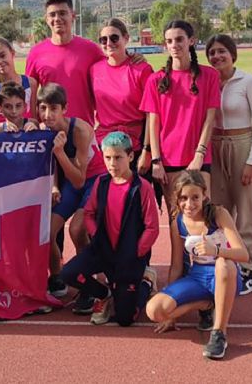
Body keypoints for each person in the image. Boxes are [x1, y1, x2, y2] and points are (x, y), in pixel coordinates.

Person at [146, 170, 249, 359]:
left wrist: (216, 251)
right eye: (183, 198)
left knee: (223, 264)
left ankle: (219, 334)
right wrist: (172, 315)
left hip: (226, 276)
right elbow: (177, 265)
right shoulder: (178, 223)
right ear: (176, 199)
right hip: (198, 277)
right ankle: (206, 304)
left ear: (204, 196)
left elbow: (243, 254)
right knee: (154, 310)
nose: (189, 204)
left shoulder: (218, 214)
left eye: (195, 197)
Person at [60, 131, 159, 326]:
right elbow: (89, 213)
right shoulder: (101, 182)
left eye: (118, 158)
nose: (112, 163)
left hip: (129, 256)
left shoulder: (142, 187)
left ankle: (146, 281)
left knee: (124, 319)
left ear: (130, 157)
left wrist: (136, 252)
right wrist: (97, 235)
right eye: (108, 158)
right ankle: (104, 294)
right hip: (103, 250)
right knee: (68, 273)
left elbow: (152, 228)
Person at [205, 34, 252, 295]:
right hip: (215, 147)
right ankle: (225, 263)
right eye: (212, 53)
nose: (217, 57)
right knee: (219, 210)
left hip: (242, 145)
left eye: (222, 51)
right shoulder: (208, 81)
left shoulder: (248, 81)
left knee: (247, 211)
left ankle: (249, 269)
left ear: (232, 54)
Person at [140, 20, 220, 218]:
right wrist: (156, 160)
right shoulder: (156, 80)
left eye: (179, 39)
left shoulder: (209, 75)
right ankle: (177, 252)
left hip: (198, 159)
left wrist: (200, 154)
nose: (174, 45)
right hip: (168, 160)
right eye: (169, 41)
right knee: (177, 220)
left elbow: (210, 118)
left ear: (191, 41)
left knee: (202, 218)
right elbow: (153, 123)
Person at [37, 83, 105, 301]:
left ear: (64, 109)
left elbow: (79, 180)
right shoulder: (44, 129)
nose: (47, 115)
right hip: (68, 180)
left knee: (77, 230)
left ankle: (88, 284)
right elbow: (52, 165)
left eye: (53, 109)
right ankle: (57, 276)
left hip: (93, 180)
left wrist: (59, 152)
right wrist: (55, 185)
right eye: (43, 108)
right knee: (45, 232)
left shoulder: (80, 130)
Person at [26, 0, 105, 125]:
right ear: (46, 19)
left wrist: (132, 59)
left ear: (73, 16)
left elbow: (113, 68)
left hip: (82, 128)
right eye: (52, 14)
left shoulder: (91, 50)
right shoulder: (36, 53)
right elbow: (29, 95)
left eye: (62, 13)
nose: (57, 18)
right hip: (49, 129)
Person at [90, 18, 153, 174]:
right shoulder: (94, 70)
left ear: (126, 38)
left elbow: (152, 113)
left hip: (134, 145)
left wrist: (147, 150)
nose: (108, 43)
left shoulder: (142, 69)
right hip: (104, 146)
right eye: (103, 39)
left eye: (114, 37)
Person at [0, 37, 38, 121]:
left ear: (12, 53)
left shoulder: (30, 83)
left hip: (26, 132)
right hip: (2, 133)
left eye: (2, 56)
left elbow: (34, 117)